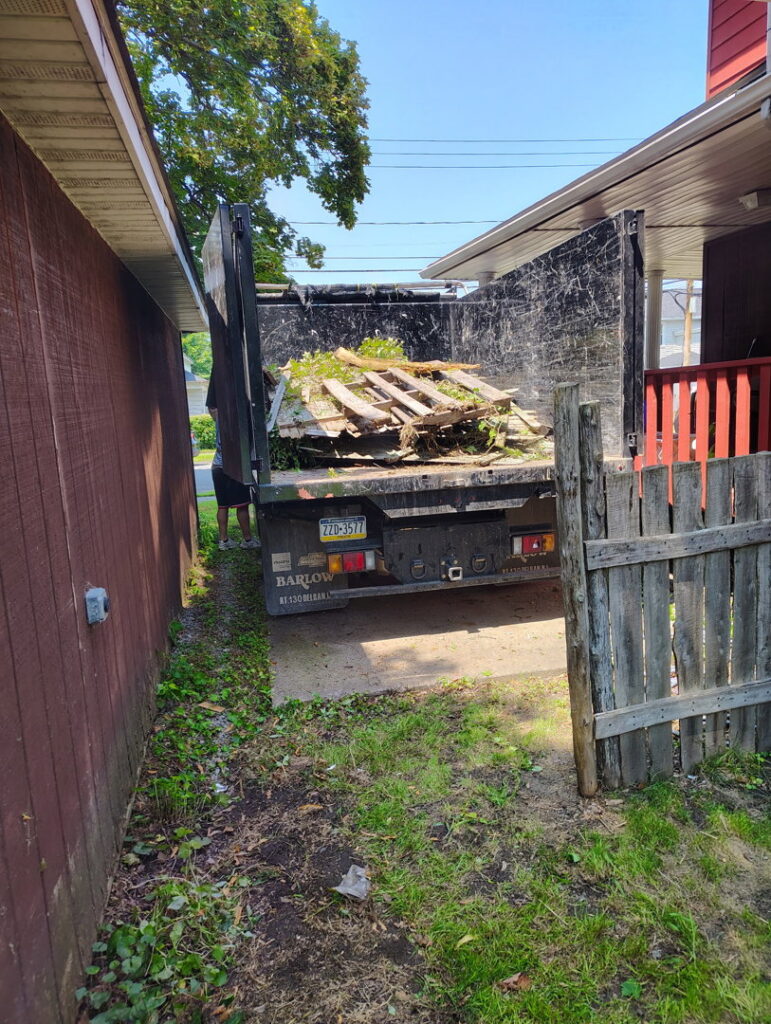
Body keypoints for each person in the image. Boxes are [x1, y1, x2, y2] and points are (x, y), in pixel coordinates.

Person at [206, 380, 259, 551]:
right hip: (233, 467)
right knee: (242, 505)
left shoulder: (219, 417)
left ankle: (224, 541)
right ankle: (248, 540)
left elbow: (211, 408)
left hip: (217, 466)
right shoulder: (239, 421)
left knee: (222, 505)